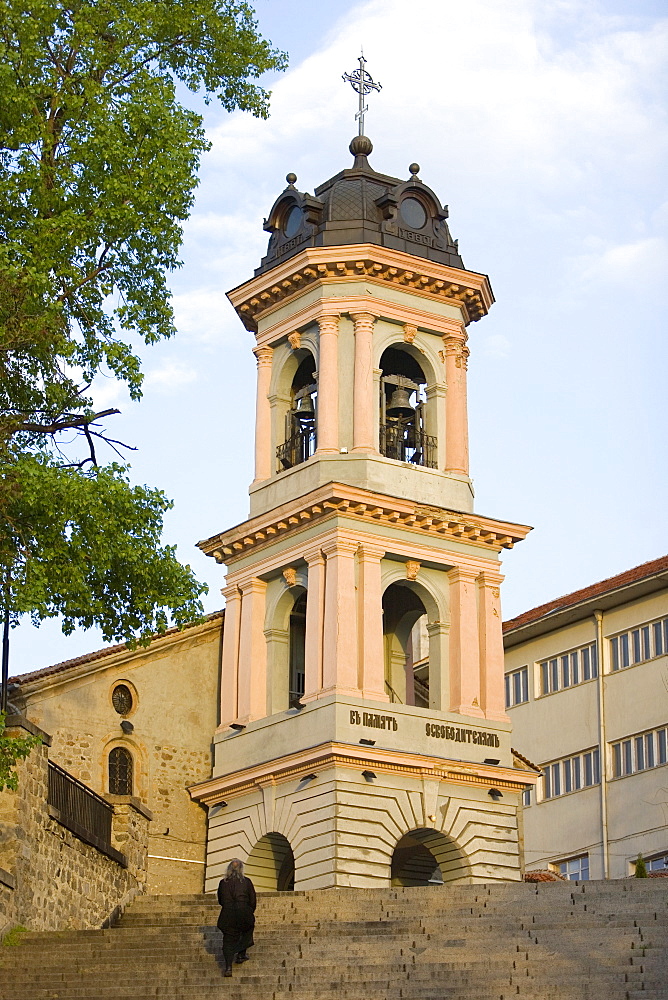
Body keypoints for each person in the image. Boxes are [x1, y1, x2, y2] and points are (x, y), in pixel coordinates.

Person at [217, 859, 257, 977]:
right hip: (243, 909)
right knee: (247, 929)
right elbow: (252, 899)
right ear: (241, 869)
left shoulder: (222, 883)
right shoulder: (246, 882)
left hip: (227, 912)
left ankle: (228, 967)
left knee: (228, 939)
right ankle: (241, 953)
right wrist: (249, 911)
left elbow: (220, 900)